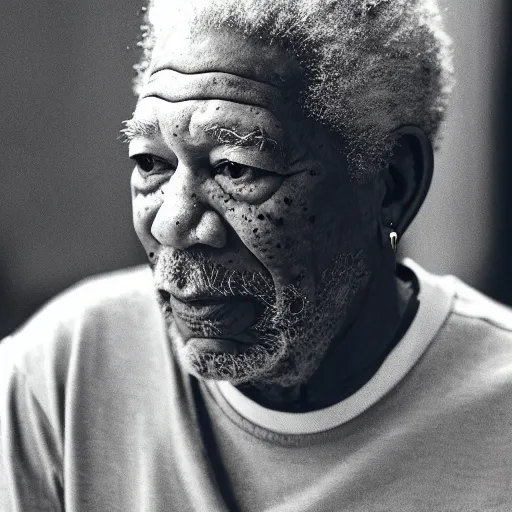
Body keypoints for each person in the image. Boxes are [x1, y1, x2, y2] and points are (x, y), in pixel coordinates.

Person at [1, 0, 512, 510]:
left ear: (393, 185)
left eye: (238, 169)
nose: (173, 223)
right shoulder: (59, 377)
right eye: (151, 162)